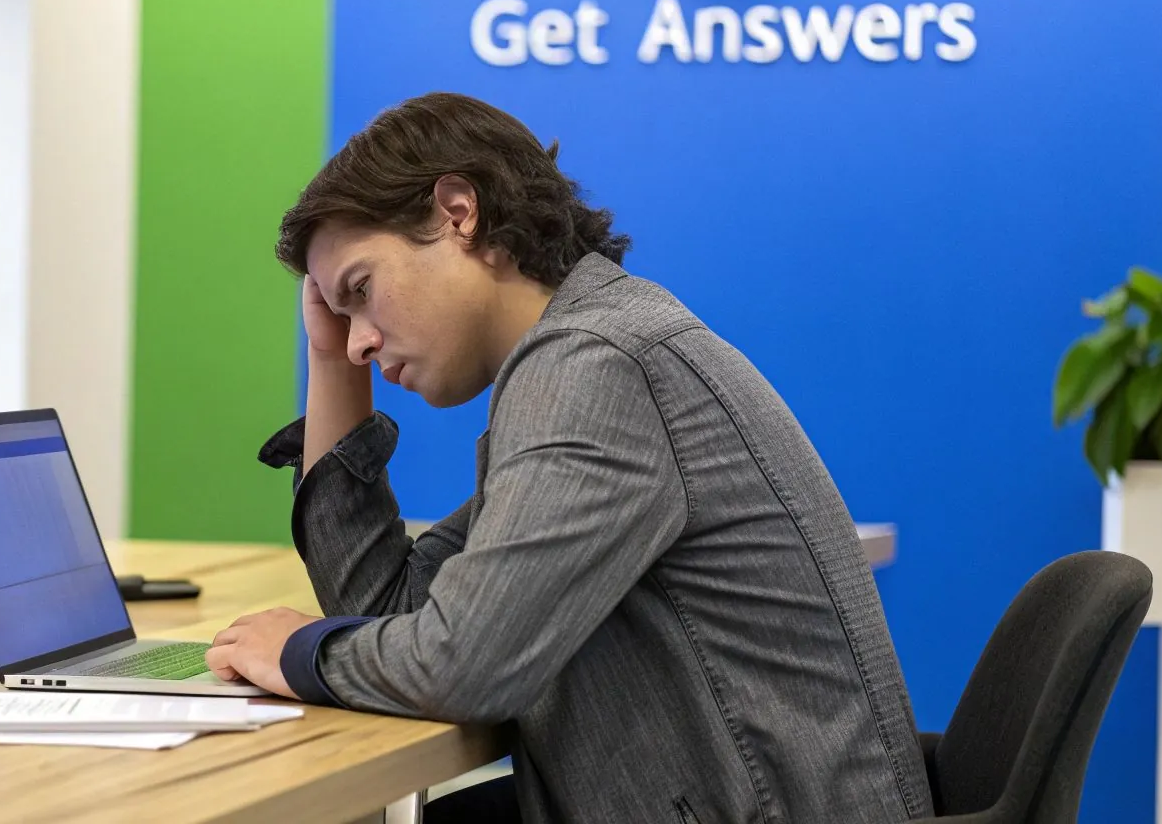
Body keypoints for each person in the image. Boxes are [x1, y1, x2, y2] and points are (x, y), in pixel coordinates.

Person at [204, 92, 933, 823]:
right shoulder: (588, 349)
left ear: (459, 213)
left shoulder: (596, 365)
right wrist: (333, 363)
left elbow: (459, 667)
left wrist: (299, 652)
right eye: (341, 312)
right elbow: (385, 611)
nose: (360, 336)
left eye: (362, 291)